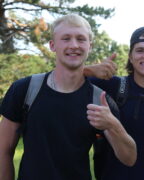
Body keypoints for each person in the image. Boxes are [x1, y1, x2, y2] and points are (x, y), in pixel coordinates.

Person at [0, 14, 136, 180]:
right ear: (52, 45)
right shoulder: (25, 89)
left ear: (90, 46)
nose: (74, 45)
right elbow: (3, 150)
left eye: (81, 39)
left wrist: (113, 125)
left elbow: (129, 158)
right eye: (66, 38)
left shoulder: (100, 101)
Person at [84, 26, 144, 180]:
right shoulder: (111, 86)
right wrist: (89, 70)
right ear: (130, 57)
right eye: (140, 50)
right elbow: (62, 78)